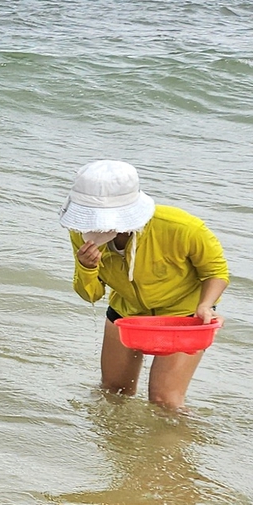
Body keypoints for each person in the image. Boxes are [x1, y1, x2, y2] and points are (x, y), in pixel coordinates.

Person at [61, 160, 228, 411]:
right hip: (126, 315)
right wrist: (86, 267)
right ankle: (121, 449)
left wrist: (206, 305)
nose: (94, 225)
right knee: (113, 393)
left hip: (183, 318)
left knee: (165, 401)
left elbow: (216, 271)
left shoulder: (180, 227)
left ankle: (182, 446)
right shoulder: (81, 234)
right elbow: (92, 295)